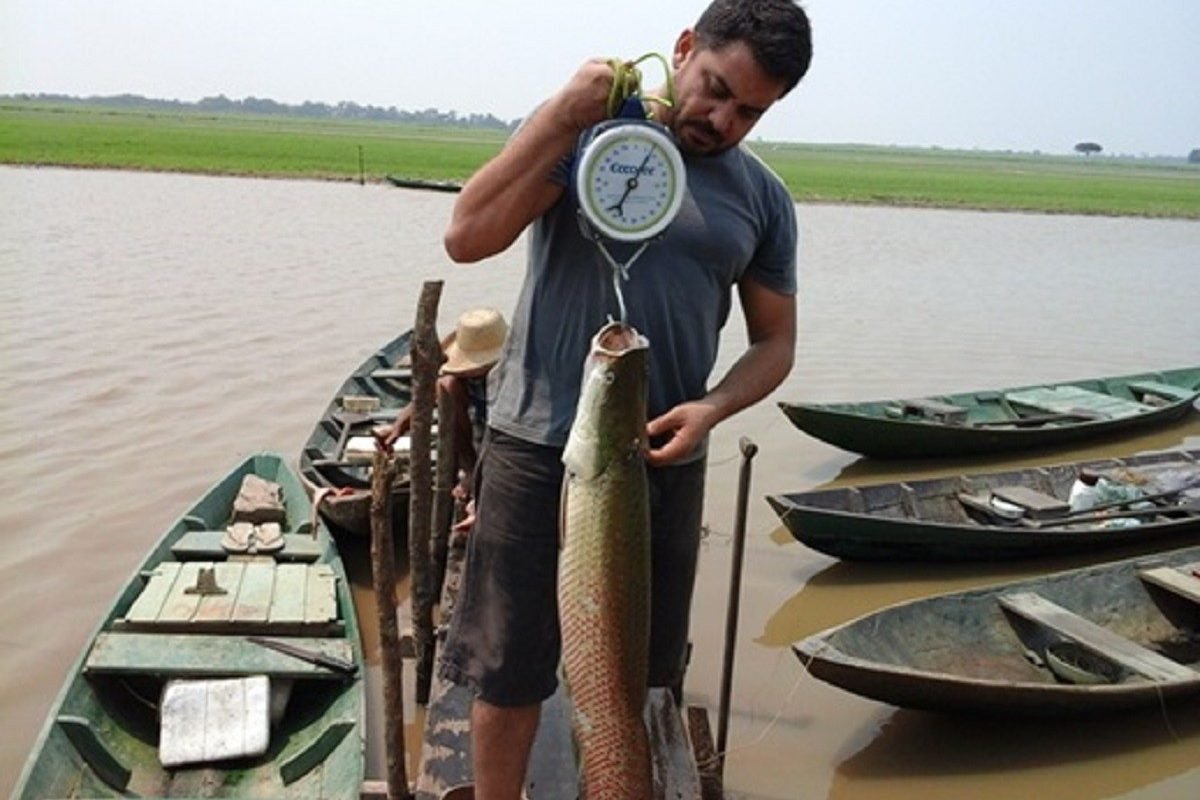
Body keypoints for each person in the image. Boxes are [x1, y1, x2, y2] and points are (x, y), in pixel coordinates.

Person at [439, 2, 812, 797]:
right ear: (683, 49)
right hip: (538, 447)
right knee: (507, 670)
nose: (722, 120)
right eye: (714, 89)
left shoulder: (764, 200)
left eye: (750, 110)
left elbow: (775, 343)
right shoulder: (586, 136)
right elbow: (467, 235)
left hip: (661, 465)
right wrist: (562, 114)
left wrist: (711, 408)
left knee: (634, 675)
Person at [382, 307, 508, 532]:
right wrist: (400, 425)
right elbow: (429, 395)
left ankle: (483, 487)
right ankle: (470, 472)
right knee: (446, 387)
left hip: (511, 438)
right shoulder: (461, 380)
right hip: (479, 432)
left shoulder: (518, 372)